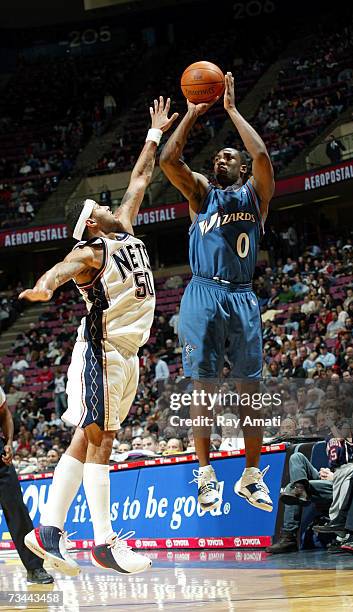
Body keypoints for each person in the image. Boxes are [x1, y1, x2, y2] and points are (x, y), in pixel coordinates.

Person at [19, 97, 178, 577]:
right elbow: (62, 268)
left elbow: (140, 178)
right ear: (91, 224)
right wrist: (45, 286)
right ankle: (105, 542)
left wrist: (154, 134)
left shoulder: (125, 232)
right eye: (101, 207)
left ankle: (46, 532)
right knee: (102, 438)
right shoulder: (92, 251)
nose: (112, 206)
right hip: (101, 351)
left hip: (127, 354)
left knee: (85, 441)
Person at [160, 73, 275, 513]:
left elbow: (262, 153)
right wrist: (190, 114)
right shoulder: (201, 194)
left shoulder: (255, 196)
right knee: (202, 389)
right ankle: (206, 475)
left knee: (250, 391)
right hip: (204, 293)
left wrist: (230, 110)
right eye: (218, 157)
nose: (220, 161)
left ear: (242, 169)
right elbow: (170, 161)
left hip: (243, 296)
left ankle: (250, 476)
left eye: (229, 157)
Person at [0, 385, 53, 584]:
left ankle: (35, 568)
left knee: (17, 512)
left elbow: (4, 414)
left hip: (0, 459)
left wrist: (8, 442)